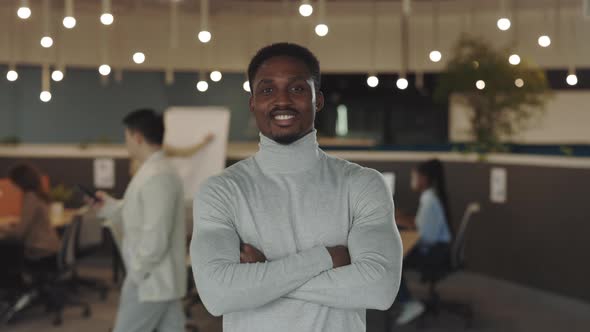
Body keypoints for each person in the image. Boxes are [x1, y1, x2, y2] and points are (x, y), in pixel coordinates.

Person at [191, 42, 403, 332]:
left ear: (318, 100)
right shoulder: (221, 191)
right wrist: (327, 258)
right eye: (267, 90)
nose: (282, 101)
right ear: (252, 102)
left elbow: (380, 289)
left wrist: (264, 272)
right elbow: (217, 295)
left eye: (297, 89)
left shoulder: (362, 184)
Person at [91, 109, 187, 332]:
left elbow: (157, 234)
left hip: (150, 279)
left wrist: (137, 271)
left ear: (137, 137)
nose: (126, 142)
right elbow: (139, 214)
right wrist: (109, 207)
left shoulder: (158, 175)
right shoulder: (153, 171)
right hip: (157, 278)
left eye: (126, 136)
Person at [394, 158, 453, 325]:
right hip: (438, 250)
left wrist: (402, 223)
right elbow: (423, 225)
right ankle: (403, 299)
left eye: (415, 176)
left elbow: (426, 236)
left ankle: (408, 303)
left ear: (424, 179)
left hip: (434, 253)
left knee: (392, 260)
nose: (413, 180)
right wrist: (406, 221)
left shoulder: (429, 201)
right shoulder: (431, 197)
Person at [0, 164, 60, 268]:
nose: (14, 186)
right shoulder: (39, 194)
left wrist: (3, 228)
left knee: (6, 255)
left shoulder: (30, 198)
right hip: (52, 248)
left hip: (39, 251)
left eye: (14, 183)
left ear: (20, 182)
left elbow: (19, 234)